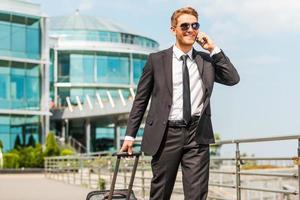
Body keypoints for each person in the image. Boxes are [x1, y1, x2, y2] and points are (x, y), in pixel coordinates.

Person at [120, 6, 240, 200]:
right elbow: (141, 99)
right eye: (184, 25)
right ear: (173, 29)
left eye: (195, 25)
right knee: (160, 193)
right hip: (166, 134)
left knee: (197, 195)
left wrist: (213, 49)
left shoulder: (206, 60)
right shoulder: (156, 60)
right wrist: (129, 136)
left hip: (197, 134)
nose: (190, 30)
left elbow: (232, 78)